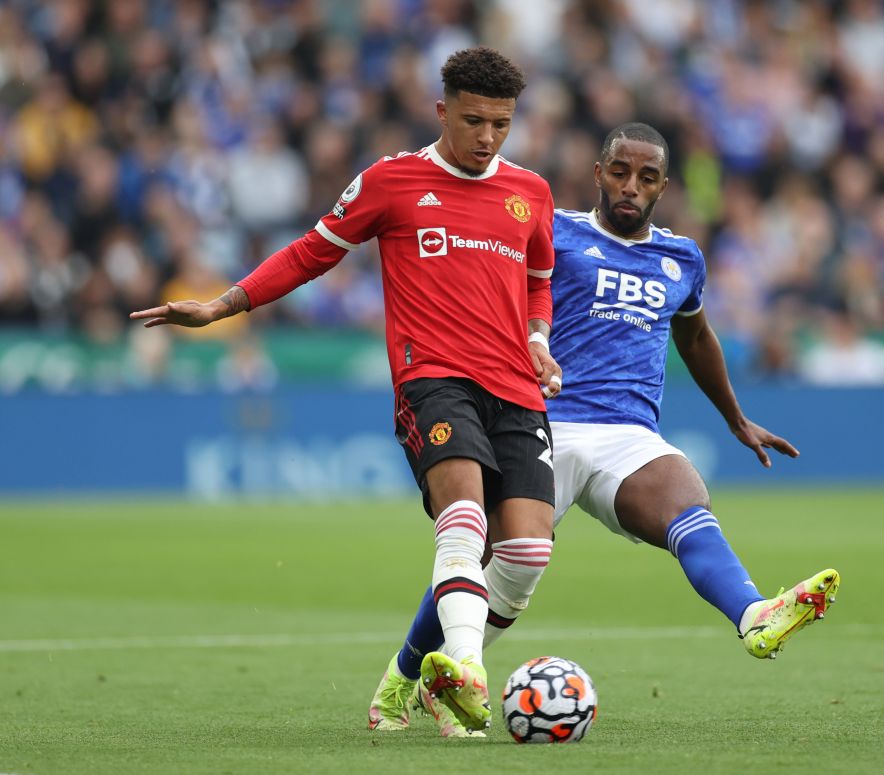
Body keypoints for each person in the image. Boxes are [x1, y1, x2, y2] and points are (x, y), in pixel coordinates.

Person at [131, 47, 564, 734]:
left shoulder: (531, 192)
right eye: (475, 121)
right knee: (465, 520)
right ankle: (467, 672)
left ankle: (414, 675)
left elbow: (540, 279)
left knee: (526, 552)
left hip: (517, 385)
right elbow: (312, 251)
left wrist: (539, 340)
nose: (487, 138)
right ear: (442, 110)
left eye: (502, 125)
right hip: (434, 378)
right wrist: (224, 304)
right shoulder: (391, 182)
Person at [368, 122, 841, 738]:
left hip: (629, 434)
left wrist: (735, 418)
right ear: (598, 172)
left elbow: (695, 337)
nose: (630, 186)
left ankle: (754, 616)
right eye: (619, 171)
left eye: (646, 178)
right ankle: (406, 678)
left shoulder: (681, 258)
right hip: (540, 420)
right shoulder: (554, 231)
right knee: (491, 563)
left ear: (663, 187)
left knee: (686, 498)